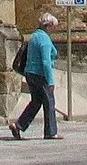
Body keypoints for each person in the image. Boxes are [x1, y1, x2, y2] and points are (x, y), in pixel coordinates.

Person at [8, 11, 61, 140]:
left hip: (29, 73)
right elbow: (46, 62)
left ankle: (19, 125)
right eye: (54, 26)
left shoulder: (34, 36)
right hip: (40, 74)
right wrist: (50, 81)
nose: (55, 28)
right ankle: (51, 132)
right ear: (48, 25)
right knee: (49, 102)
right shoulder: (44, 40)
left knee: (36, 102)